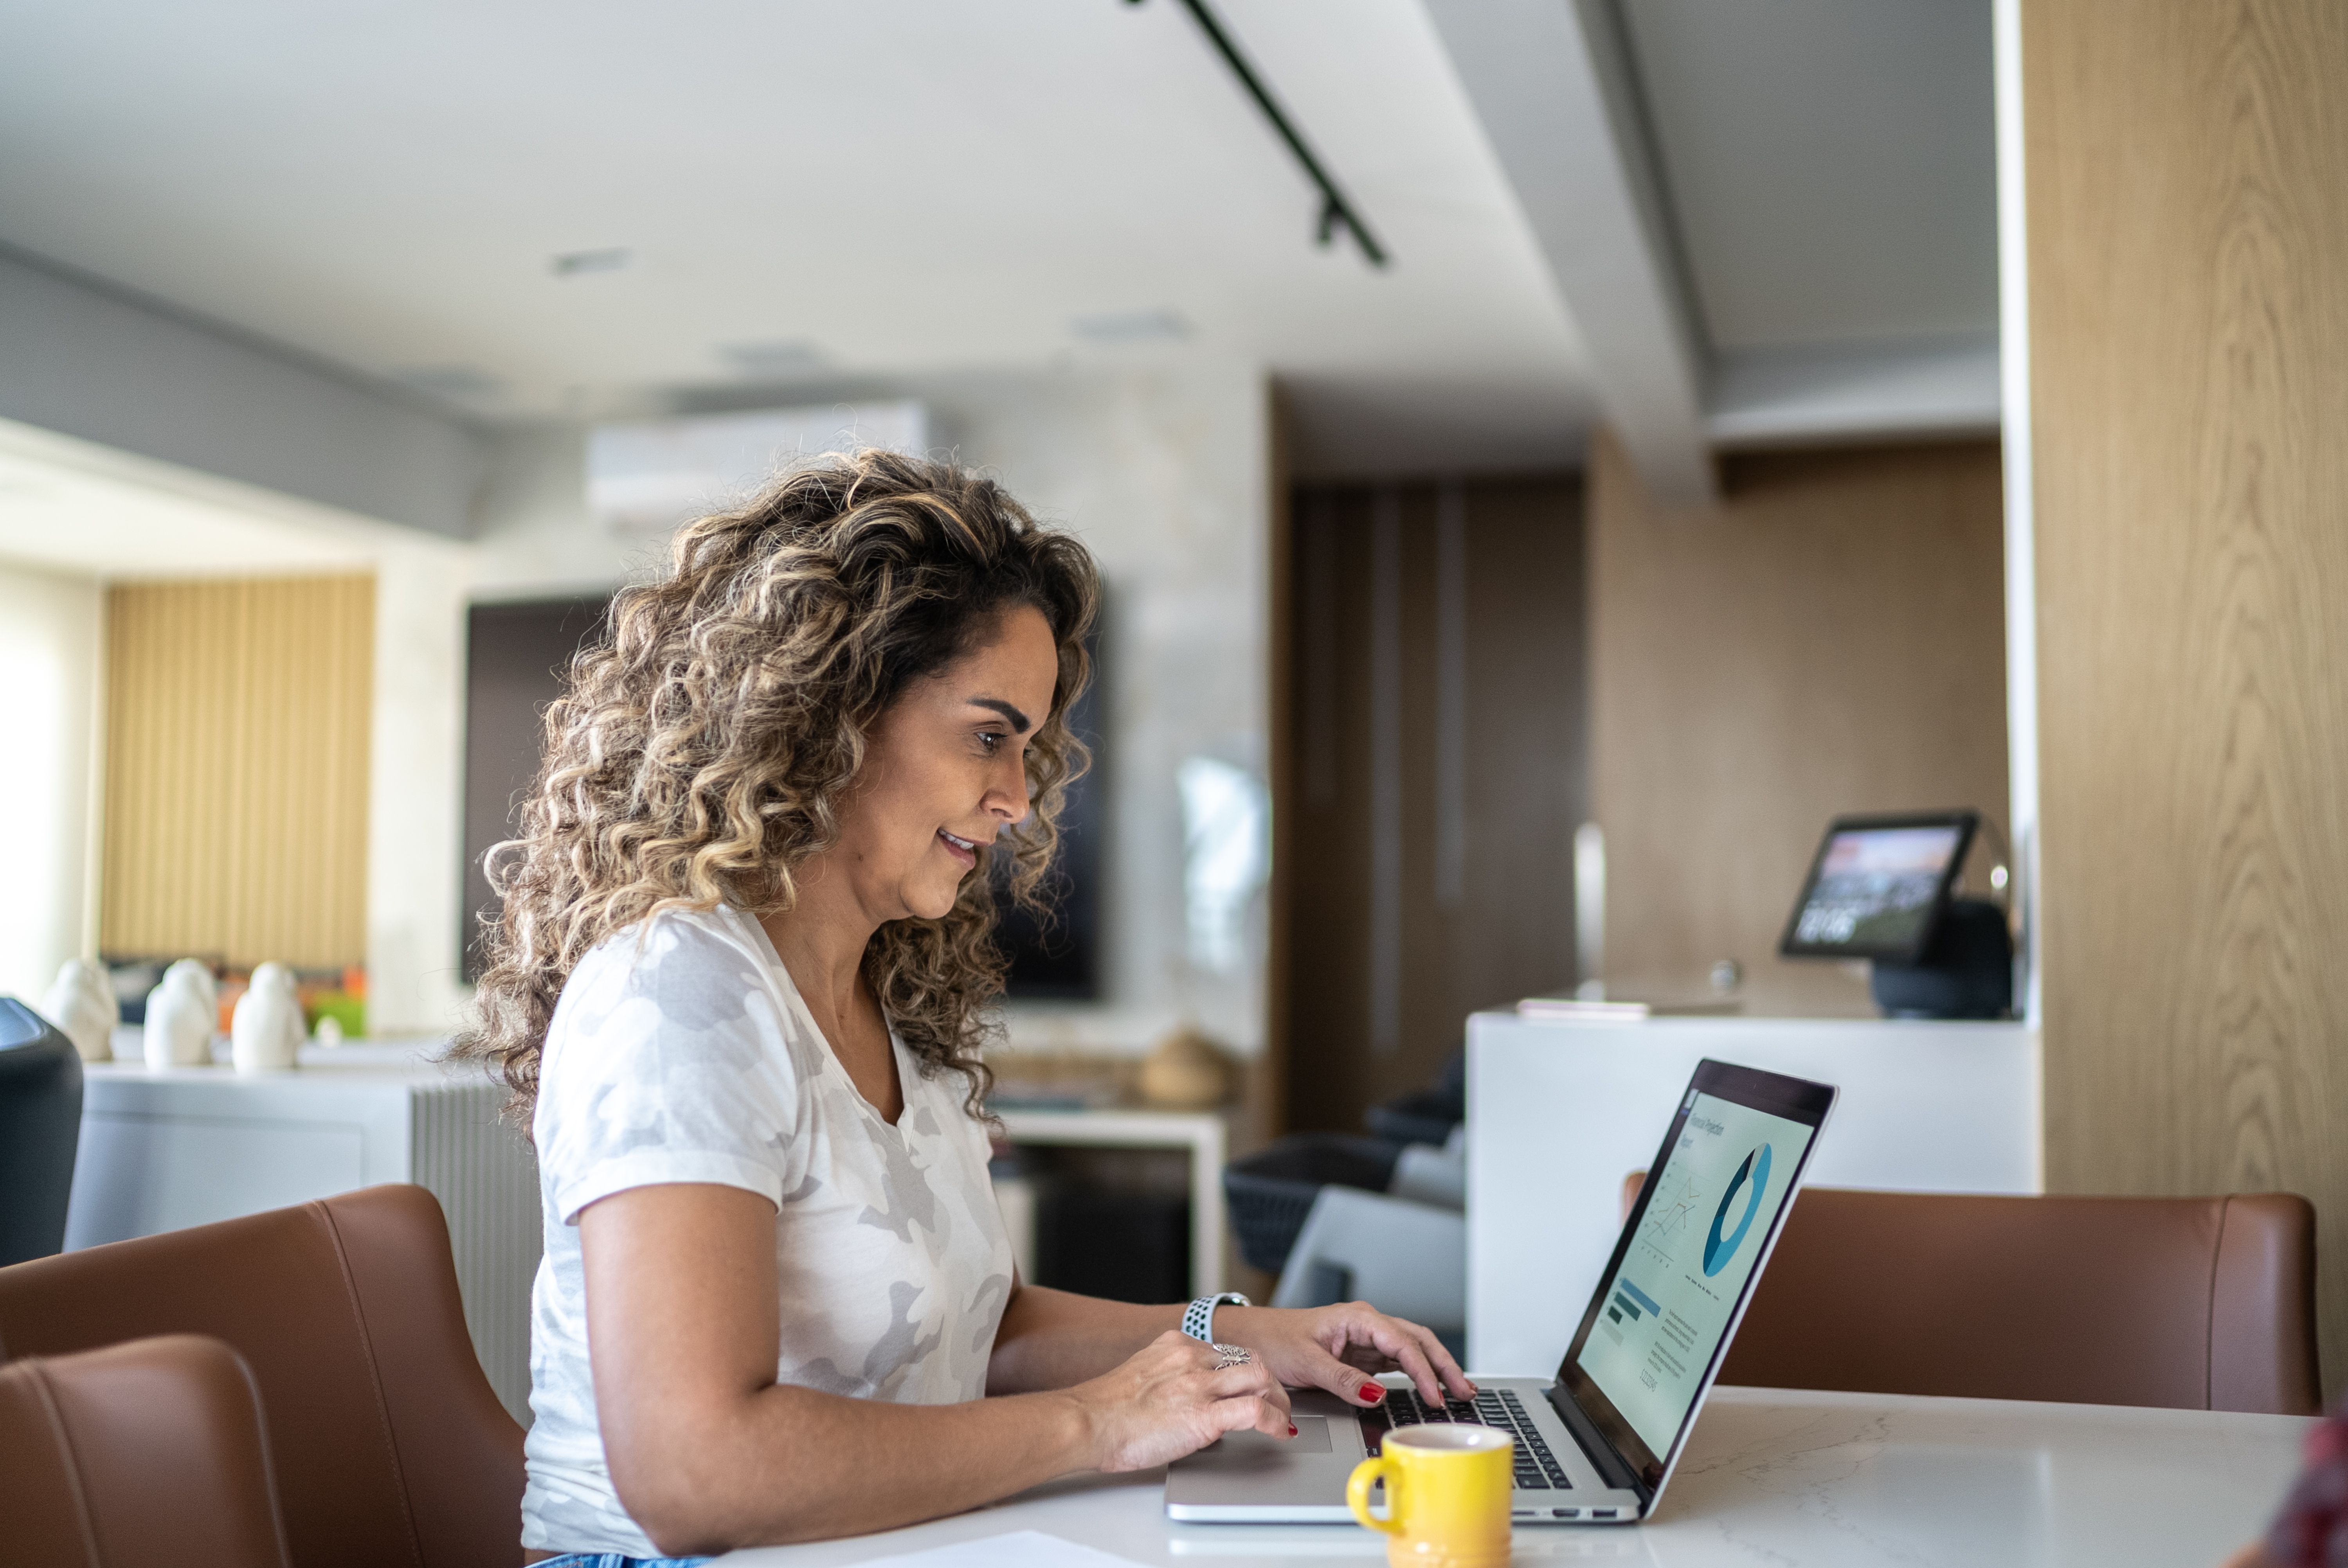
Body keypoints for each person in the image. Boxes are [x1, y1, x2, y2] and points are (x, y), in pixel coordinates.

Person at [456, 451, 1473, 1564]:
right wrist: (1099, 1424)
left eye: (1027, 747)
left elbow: (974, 1327)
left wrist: (1235, 1336)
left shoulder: (877, 996)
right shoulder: (677, 993)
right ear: (828, 715)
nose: (1020, 797)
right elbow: (696, 1475)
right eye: (989, 735)